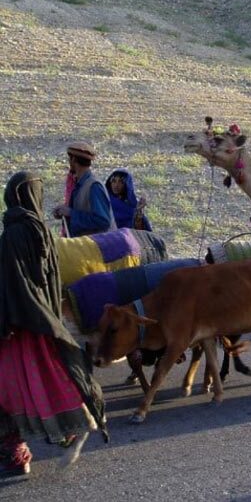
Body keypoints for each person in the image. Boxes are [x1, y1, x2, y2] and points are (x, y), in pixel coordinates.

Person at [0, 172, 107, 477]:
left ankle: (19, 451)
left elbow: (13, 285)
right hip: (43, 322)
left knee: (10, 391)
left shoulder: (13, 235)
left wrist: (8, 320)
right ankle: (66, 432)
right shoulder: (43, 231)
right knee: (46, 381)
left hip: (18, 328)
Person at [52, 141, 116, 237]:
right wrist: (64, 212)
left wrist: (71, 213)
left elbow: (103, 221)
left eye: (69, 159)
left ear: (73, 160)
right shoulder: (79, 184)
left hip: (98, 248)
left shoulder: (94, 186)